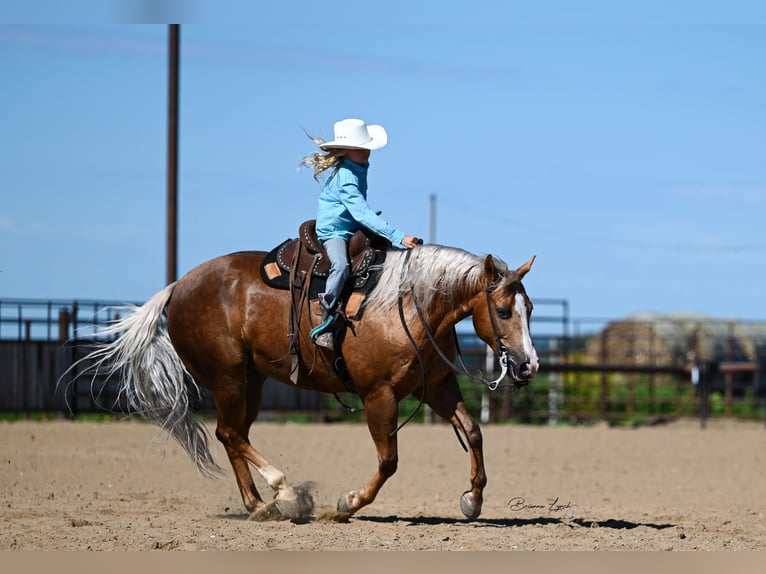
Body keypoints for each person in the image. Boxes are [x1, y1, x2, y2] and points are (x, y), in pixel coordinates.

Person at [301, 118, 420, 348]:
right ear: (346, 151)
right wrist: (399, 236)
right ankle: (326, 313)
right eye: (359, 148)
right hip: (334, 230)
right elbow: (361, 213)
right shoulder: (346, 176)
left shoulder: (357, 167)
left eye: (366, 147)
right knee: (341, 266)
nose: (365, 152)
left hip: (351, 225)